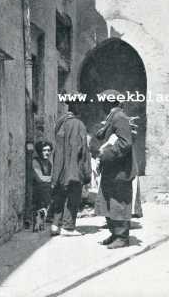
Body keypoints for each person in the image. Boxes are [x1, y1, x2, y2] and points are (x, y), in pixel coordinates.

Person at [95, 90, 138, 249]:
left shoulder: (119, 117)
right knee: (110, 200)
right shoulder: (112, 117)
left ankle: (122, 237)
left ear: (110, 102)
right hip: (112, 168)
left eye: (103, 101)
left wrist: (106, 154)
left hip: (120, 169)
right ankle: (115, 233)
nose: (101, 105)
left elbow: (125, 143)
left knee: (119, 201)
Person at [49, 98, 92, 236]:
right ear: (77, 106)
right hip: (73, 166)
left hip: (59, 166)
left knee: (59, 194)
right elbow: (82, 149)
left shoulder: (60, 122)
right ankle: (68, 227)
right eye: (81, 106)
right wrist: (86, 171)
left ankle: (56, 224)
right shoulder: (78, 125)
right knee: (74, 195)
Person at [32, 141, 53, 212]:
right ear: (39, 151)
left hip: (46, 189)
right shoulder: (35, 161)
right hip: (37, 190)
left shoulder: (49, 164)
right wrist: (53, 179)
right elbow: (39, 179)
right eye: (44, 150)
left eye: (49, 150)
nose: (47, 153)